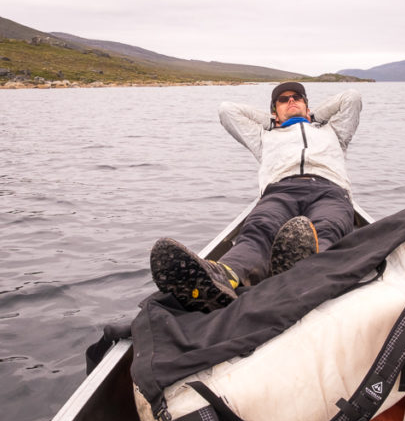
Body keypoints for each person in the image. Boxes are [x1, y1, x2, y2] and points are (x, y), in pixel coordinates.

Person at [150, 82, 362, 312]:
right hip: (280, 191)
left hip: (329, 191)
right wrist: (273, 121)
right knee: (259, 229)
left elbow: (351, 97)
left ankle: (308, 271)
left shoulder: (334, 131)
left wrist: (311, 117)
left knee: (328, 227)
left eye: (297, 98)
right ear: (274, 110)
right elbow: (226, 110)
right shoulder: (263, 136)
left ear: (306, 105)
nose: (291, 100)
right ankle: (225, 277)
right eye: (283, 100)